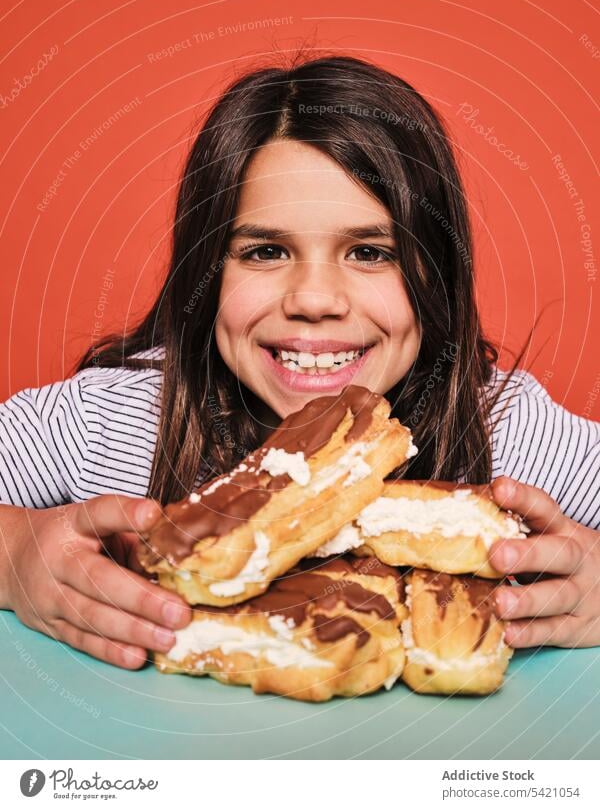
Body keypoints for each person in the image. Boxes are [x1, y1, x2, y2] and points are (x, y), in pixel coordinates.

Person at [1, 55, 598, 671]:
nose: (314, 299)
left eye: (369, 252)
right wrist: (17, 554)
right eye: (265, 250)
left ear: (436, 275)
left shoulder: (510, 433)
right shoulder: (109, 424)